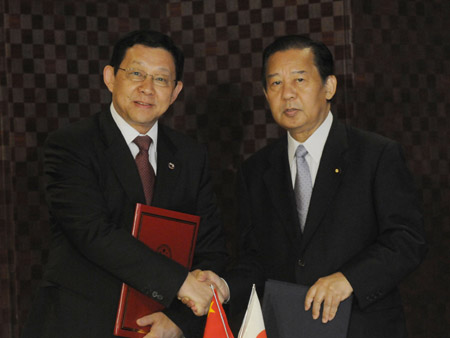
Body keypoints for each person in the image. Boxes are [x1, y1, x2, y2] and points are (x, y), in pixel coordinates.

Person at [188, 35, 427, 337]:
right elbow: (255, 260)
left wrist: (349, 279)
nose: (287, 94)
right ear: (265, 93)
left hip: (361, 326)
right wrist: (223, 286)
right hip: (286, 327)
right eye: (275, 84)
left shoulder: (376, 155)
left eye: (299, 80)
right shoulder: (255, 170)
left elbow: (407, 240)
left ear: (329, 87)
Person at [21, 30, 228, 338]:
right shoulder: (71, 145)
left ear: (175, 91)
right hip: (79, 324)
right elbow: (93, 232)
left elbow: (209, 245)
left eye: (160, 79)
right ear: (110, 78)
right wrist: (180, 284)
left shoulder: (190, 155)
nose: (147, 88)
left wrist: (180, 320)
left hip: (161, 329)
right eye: (136, 73)